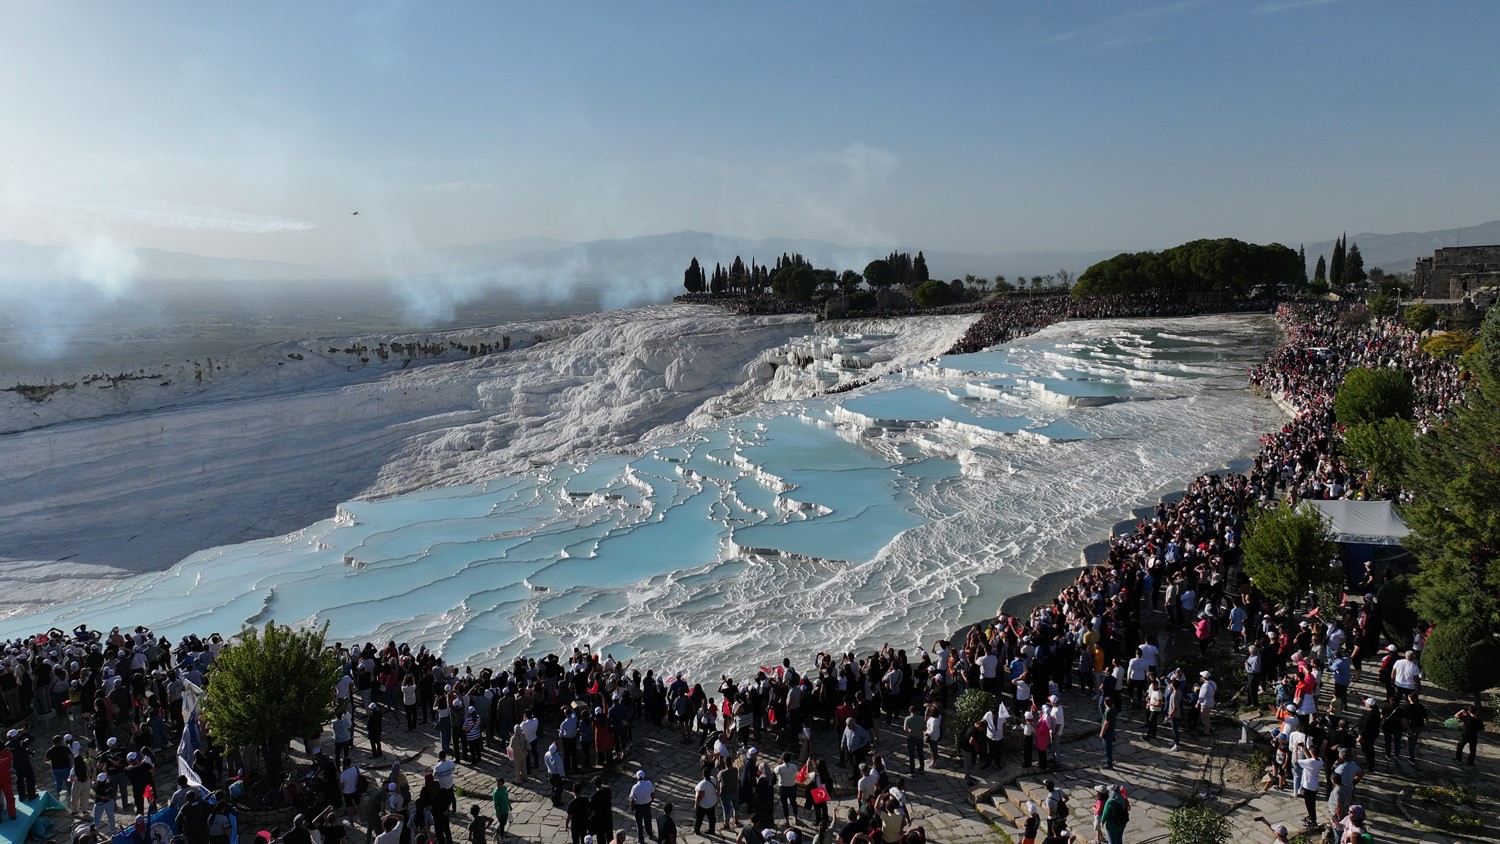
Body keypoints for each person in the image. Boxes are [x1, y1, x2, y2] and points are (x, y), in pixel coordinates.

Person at [630, 771, 655, 843]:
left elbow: (632, 799)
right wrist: (651, 801)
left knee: (639, 824)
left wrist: (632, 806)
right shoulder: (649, 783)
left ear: (637, 778)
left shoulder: (635, 787)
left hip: (638, 807)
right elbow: (653, 794)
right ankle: (650, 834)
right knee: (648, 821)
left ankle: (641, 839)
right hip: (647, 805)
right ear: (644, 776)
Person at [694, 767, 719, 835]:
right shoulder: (713, 779)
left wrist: (696, 805)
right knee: (712, 817)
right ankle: (712, 830)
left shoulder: (702, 785)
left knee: (699, 818)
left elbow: (699, 797)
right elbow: (717, 787)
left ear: (703, 774)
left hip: (703, 805)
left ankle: (697, 830)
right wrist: (717, 797)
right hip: (712, 802)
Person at [546, 743, 568, 807]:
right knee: (559, 789)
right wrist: (563, 775)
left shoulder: (547, 754)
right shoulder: (557, 758)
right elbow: (560, 768)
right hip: (556, 775)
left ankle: (553, 798)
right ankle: (557, 802)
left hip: (549, 772)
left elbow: (546, 762)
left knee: (552, 786)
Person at [1098, 698, 1117, 769]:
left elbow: (1106, 723)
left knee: (1107, 748)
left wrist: (1102, 732)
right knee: (1108, 747)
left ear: (1105, 703)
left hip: (1107, 733)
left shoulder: (1108, 712)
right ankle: (1107, 760)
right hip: (1111, 731)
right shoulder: (1114, 709)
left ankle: (1109, 764)